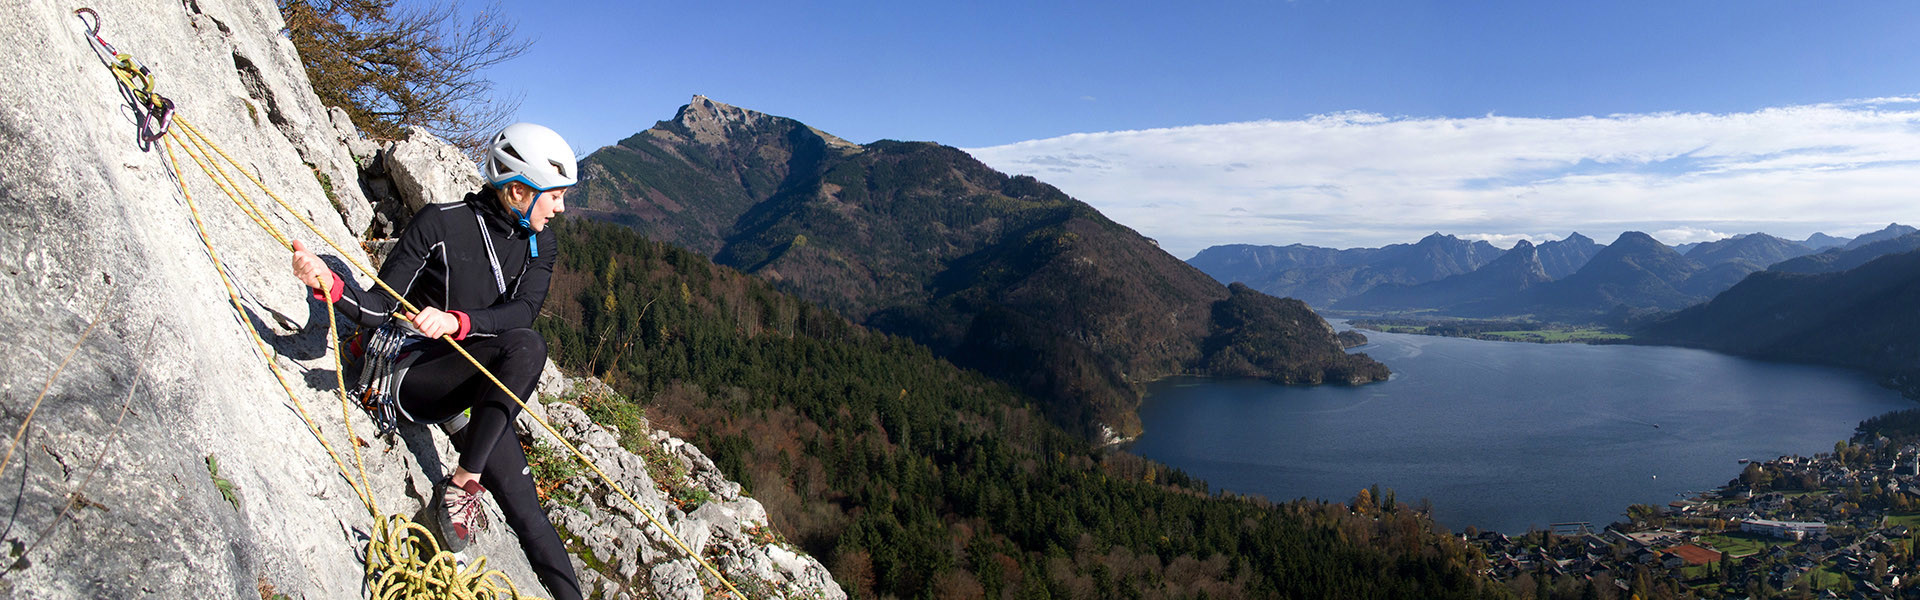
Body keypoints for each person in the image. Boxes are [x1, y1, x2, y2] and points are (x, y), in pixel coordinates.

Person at [290, 122, 581, 600]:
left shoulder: (538, 243)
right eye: (554, 195)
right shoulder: (440, 223)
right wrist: (329, 285)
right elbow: (377, 309)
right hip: (404, 372)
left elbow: (523, 310)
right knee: (528, 347)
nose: (562, 207)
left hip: (460, 382)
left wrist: (456, 322)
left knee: (528, 509)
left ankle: (465, 494)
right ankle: (461, 489)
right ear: (516, 191)